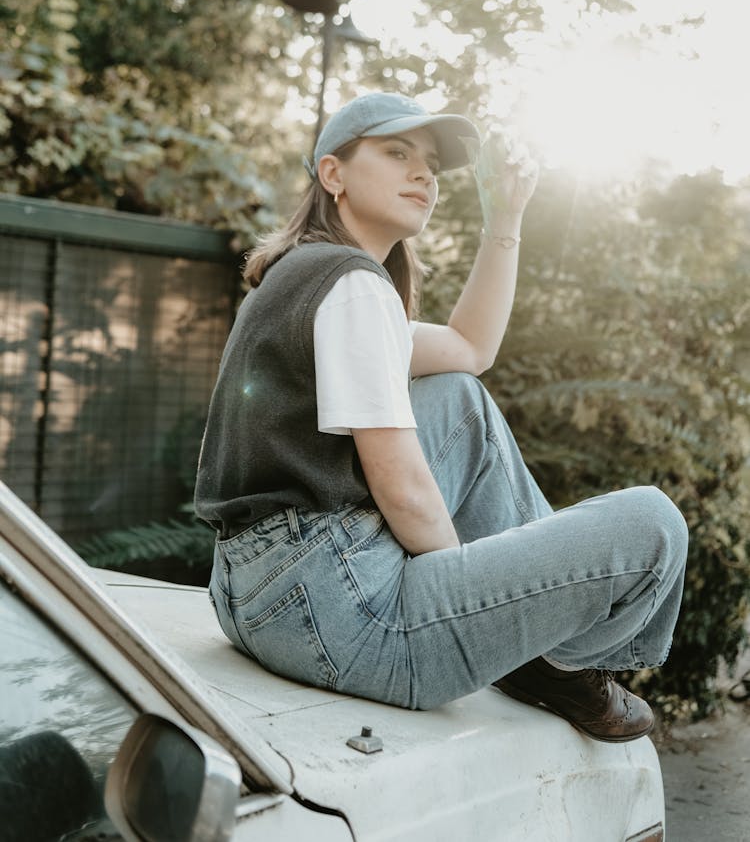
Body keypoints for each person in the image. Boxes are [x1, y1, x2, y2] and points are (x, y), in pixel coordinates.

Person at [194, 90, 688, 742]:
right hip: (341, 615)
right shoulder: (352, 285)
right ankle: (562, 657)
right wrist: (483, 601)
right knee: (654, 523)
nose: (423, 172)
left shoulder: (307, 275)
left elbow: (468, 350)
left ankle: (548, 661)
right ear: (333, 174)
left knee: (455, 396)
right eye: (397, 152)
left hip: (252, 595)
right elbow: (400, 488)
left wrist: (503, 219)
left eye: (428, 162)